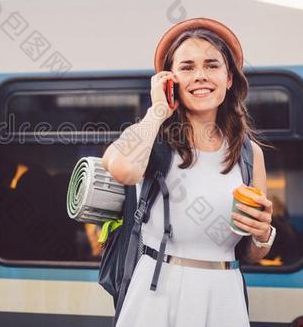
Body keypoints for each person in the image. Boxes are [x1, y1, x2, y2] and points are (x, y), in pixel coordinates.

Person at [102, 18, 275, 327]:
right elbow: (125, 171)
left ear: (229, 78)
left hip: (224, 294)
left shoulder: (250, 154)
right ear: (170, 80)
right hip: (157, 293)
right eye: (187, 67)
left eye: (212, 66)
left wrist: (263, 234)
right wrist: (157, 111)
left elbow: (252, 253)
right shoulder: (148, 136)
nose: (200, 76)